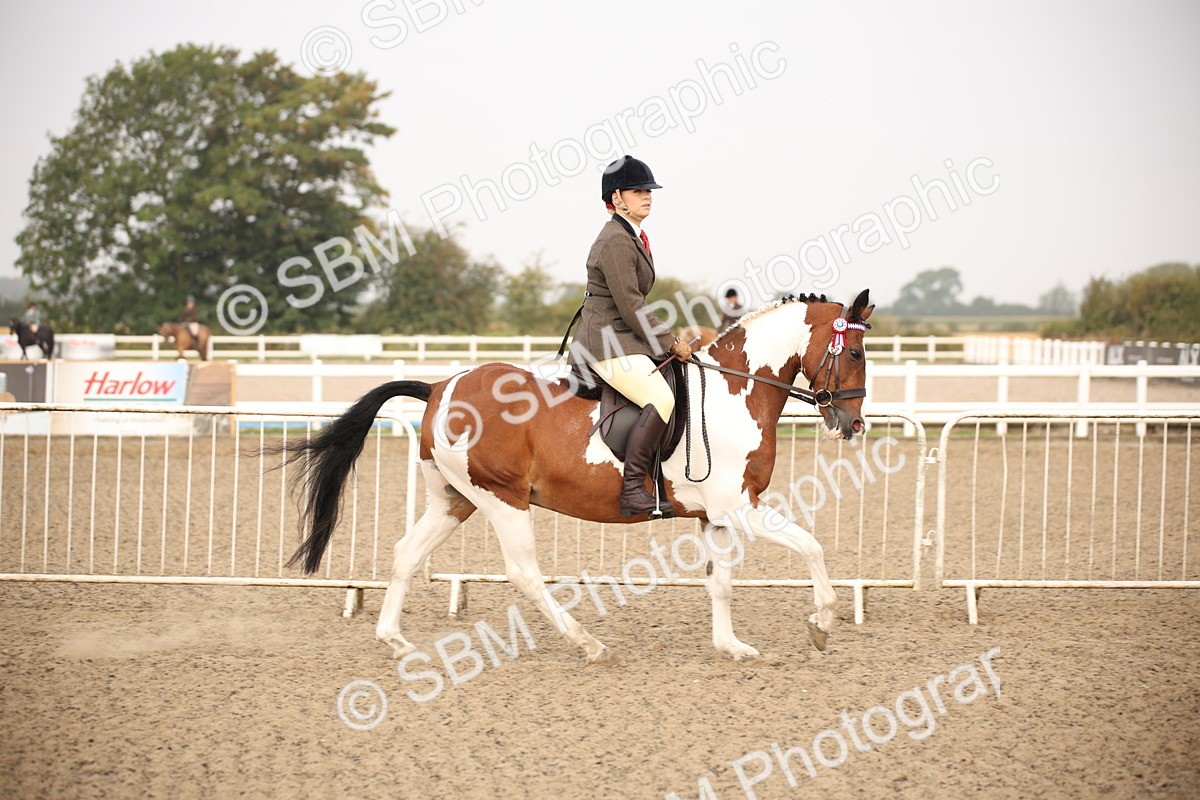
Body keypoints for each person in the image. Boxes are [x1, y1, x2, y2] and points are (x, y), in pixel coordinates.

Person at [568, 155, 692, 517]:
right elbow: (632, 305)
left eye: (649, 190)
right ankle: (634, 488)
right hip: (605, 344)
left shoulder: (632, 235)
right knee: (661, 398)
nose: (647, 196)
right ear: (617, 197)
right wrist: (670, 342)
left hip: (621, 338)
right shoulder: (616, 241)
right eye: (639, 191)